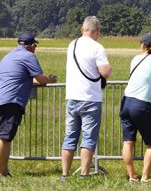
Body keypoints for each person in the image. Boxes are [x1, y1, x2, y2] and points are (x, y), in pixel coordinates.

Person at [61, 16, 112, 180]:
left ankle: (65, 174)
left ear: (82, 29)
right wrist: (109, 69)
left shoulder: (72, 45)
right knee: (88, 138)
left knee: (70, 137)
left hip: (72, 96)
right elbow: (104, 72)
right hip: (90, 97)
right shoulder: (97, 47)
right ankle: (84, 174)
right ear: (97, 30)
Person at [0, 34, 57, 177]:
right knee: (4, 138)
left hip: (2, 97)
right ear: (31, 46)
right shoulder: (28, 56)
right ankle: (2, 172)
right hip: (11, 101)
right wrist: (51, 79)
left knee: (3, 137)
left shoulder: (8, 56)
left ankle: (5, 170)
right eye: (35, 46)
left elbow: (19, 78)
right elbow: (41, 78)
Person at [120, 33, 151, 182]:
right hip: (141, 104)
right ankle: (145, 176)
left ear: (144, 45)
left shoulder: (135, 59)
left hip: (126, 101)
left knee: (128, 141)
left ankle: (132, 175)